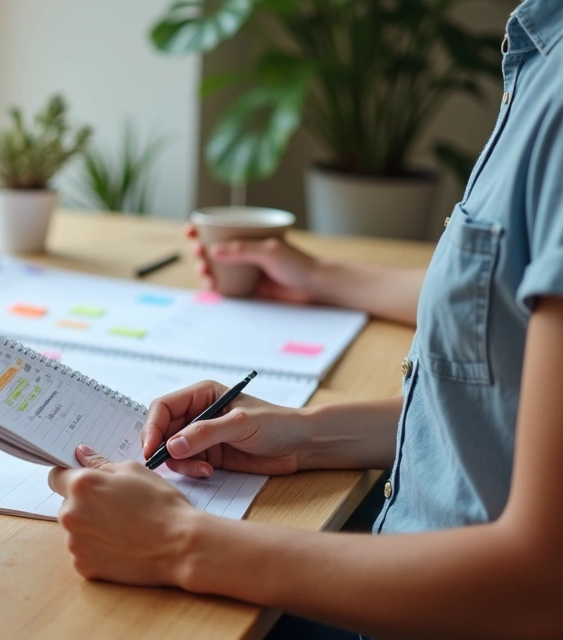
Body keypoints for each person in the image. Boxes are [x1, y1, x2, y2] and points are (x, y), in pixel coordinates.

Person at [47, 2, 563, 638]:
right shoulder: (544, 54)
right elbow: (505, 404)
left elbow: (540, 587)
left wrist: (176, 543)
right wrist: (312, 434)